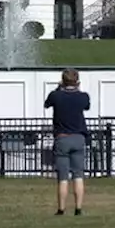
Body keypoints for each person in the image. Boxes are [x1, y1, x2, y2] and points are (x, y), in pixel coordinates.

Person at [44, 68, 91, 216]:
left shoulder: (56, 96)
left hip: (62, 138)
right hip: (78, 137)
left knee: (63, 177)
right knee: (78, 175)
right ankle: (78, 208)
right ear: (77, 81)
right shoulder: (82, 96)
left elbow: (47, 104)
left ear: (62, 80)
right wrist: (78, 88)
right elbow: (86, 106)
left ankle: (61, 209)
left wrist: (59, 88)